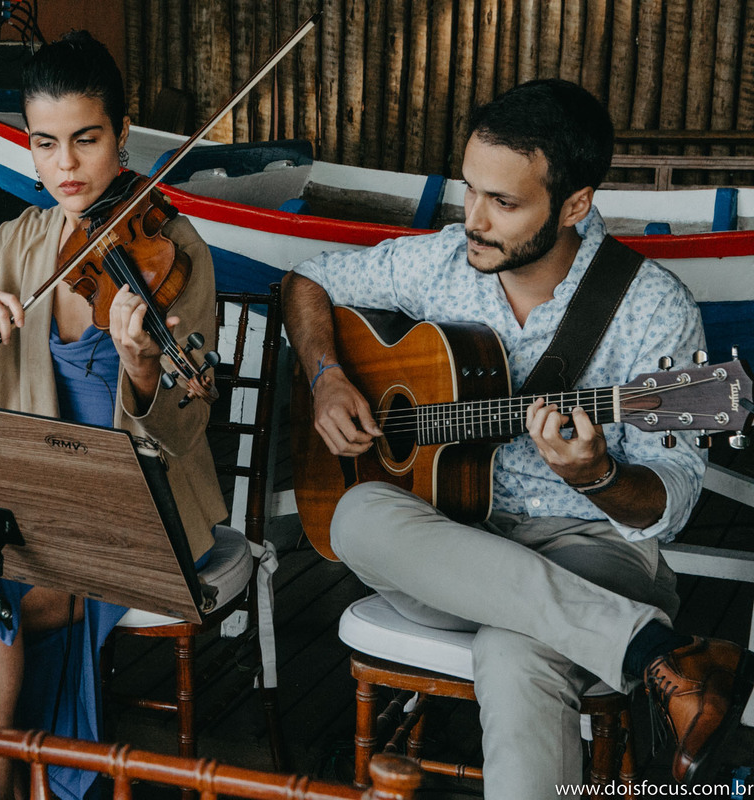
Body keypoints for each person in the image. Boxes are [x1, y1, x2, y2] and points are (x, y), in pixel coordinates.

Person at [283, 78, 752, 798]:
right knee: (354, 515)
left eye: (503, 203)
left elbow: (672, 502)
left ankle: (632, 643)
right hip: (444, 543)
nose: (473, 218)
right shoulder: (439, 260)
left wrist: (594, 474)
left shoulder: (652, 307)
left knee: (513, 650)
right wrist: (325, 376)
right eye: (469, 190)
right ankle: (654, 650)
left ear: (574, 204)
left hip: (590, 549)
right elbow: (306, 280)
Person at [0, 30, 225, 800]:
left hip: (140, 516)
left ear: (123, 135)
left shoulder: (176, 248)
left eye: (86, 139)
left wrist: (140, 369)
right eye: (45, 143)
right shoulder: (24, 241)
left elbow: (185, 426)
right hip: (35, 504)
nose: (65, 166)